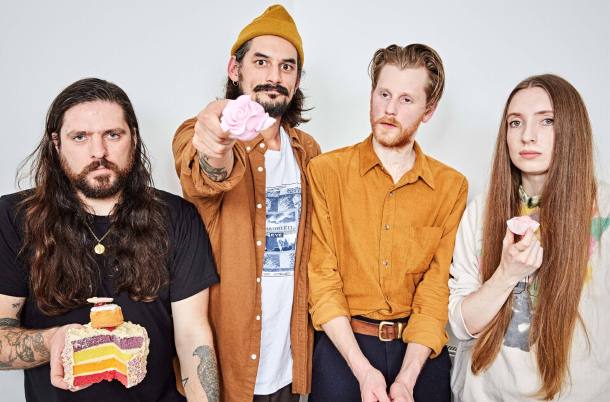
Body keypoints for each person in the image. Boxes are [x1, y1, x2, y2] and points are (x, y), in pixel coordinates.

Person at [0, 78, 219, 402]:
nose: (98, 152)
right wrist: (53, 341)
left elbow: (193, 339)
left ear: (134, 138)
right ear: (56, 144)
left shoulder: (178, 217)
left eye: (112, 135)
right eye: (80, 137)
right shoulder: (13, 218)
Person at [172, 4, 320, 402]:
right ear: (234, 69)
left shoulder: (308, 151)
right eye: (261, 62)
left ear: (297, 79)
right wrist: (216, 142)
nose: (275, 76)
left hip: (289, 367)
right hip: (228, 368)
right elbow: (206, 169)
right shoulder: (200, 132)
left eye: (287, 67)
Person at [307, 44, 468, 402]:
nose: (390, 109)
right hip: (343, 347)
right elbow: (322, 278)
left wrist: (407, 380)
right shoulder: (326, 172)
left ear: (429, 111)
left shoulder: (450, 187)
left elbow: (435, 289)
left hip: (418, 353)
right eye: (384, 94)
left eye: (406, 100)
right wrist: (363, 370)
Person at [448, 74, 610, 401]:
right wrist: (506, 274)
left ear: (572, 129)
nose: (527, 136)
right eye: (515, 122)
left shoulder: (603, 212)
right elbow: (461, 326)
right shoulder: (482, 210)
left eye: (547, 121)